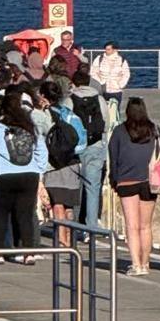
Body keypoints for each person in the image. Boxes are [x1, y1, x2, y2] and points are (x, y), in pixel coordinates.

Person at [0, 92, 49, 263]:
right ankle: (28, 252)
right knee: (25, 215)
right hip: (29, 174)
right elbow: (42, 151)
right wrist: (38, 169)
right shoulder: (29, 127)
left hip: (3, 175)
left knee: (0, 215)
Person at [109, 97, 160, 275]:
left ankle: (136, 264)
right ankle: (146, 263)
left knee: (132, 226)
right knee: (146, 225)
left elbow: (113, 157)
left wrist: (113, 180)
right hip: (149, 181)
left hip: (126, 181)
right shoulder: (153, 129)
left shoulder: (119, 131)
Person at [38, 81, 86, 247]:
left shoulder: (45, 115)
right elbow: (82, 141)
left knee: (57, 204)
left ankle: (62, 240)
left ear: (43, 96)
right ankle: (70, 238)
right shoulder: (69, 114)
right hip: (73, 162)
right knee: (69, 206)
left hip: (54, 163)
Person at [68, 70, 110, 230]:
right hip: (96, 145)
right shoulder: (99, 99)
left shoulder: (70, 100)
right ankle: (91, 225)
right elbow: (106, 122)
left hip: (75, 147)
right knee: (93, 186)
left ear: (74, 82)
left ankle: (75, 225)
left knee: (75, 187)